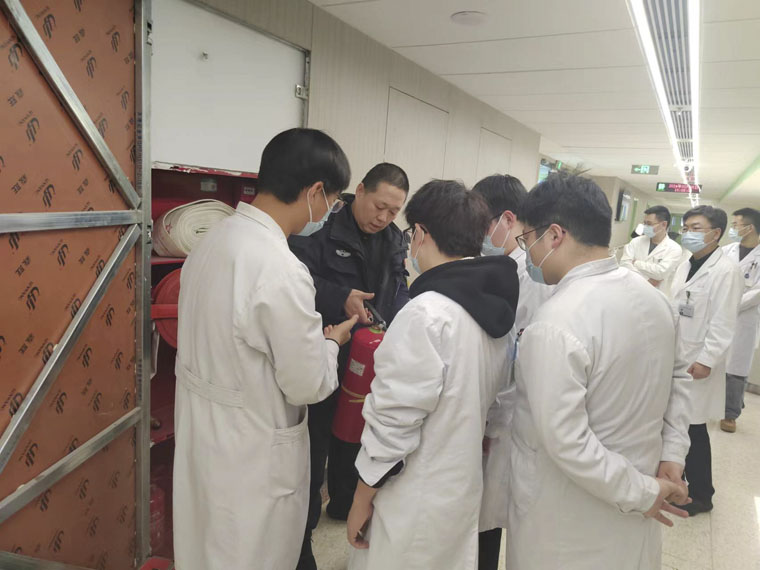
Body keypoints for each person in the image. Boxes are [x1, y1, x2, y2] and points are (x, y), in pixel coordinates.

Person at [173, 128, 359, 570]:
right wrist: (330, 343)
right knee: (250, 554)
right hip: (252, 456)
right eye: (333, 202)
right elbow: (307, 383)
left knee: (204, 550)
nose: (328, 213)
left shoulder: (212, 240)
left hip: (205, 439)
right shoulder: (280, 268)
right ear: (315, 192)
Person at [507, 174, 691, 570]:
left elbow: (567, 442)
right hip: (636, 493)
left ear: (554, 235)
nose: (528, 253)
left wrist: (644, 492)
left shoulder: (556, 322)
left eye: (528, 240)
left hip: (570, 521)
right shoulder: (654, 299)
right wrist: (673, 454)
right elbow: (678, 382)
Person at [345, 180, 519, 569]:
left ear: (421, 234)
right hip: (460, 484)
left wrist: (362, 496)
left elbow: (393, 421)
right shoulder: (493, 312)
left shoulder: (427, 313)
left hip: (412, 489)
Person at [289, 163, 410, 569]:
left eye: (394, 211)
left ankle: (343, 503)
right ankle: (302, 542)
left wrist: (406, 318)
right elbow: (297, 281)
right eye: (379, 206)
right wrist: (339, 297)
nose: (384, 217)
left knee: (356, 438)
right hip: (327, 353)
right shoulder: (321, 229)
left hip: (371, 360)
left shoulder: (394, 239)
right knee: (314, 450)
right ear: (359, 191)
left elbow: (398, 285)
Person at [473, 174, 552, 570]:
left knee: (488, 520)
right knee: (483, 514)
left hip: (506, 418)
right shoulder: (500, 264)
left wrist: (491, 422)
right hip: (494, 413)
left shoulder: (529, 276)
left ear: (507, 219)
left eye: (480, 224)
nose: (477, 235)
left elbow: (516, 356)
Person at [670, 205, 743, 515]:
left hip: (697, 360)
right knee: (678, 423)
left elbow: (724, 322)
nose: (688, 233)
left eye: (696, 228)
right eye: (686, 227)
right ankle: (679, 483)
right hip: (678, 355)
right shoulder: (686, 264)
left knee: (693, 428)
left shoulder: (726, 270)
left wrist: (707, 359)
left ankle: (702, 495)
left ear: (716, 233)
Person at [721, 208, 760, 433]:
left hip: (745, 318)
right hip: (720, 313)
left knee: (736, 367)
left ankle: (730, 413)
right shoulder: (727, 251)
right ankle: (712, 404)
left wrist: (730, 303)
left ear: (750, 228)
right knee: (715, 361)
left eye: (736, 225)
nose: (733, 229)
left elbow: (757, 293)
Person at [620, 205, 683, 293]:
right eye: (644, 223)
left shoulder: (674, 249)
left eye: (649, 224)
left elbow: (660, 273)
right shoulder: (635, 241)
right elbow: (624, 264)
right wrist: (647, 280)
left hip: (655, 293)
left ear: (664, 224)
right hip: (630, 290)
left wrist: (636, 263)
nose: (645, 227)